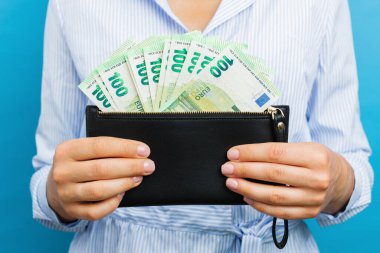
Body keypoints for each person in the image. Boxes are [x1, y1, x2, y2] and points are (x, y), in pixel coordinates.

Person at [31, 0, 374, 252]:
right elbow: (48, 175)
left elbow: (352, 161)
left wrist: (339, 182)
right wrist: (57, 195)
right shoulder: (72, 5)